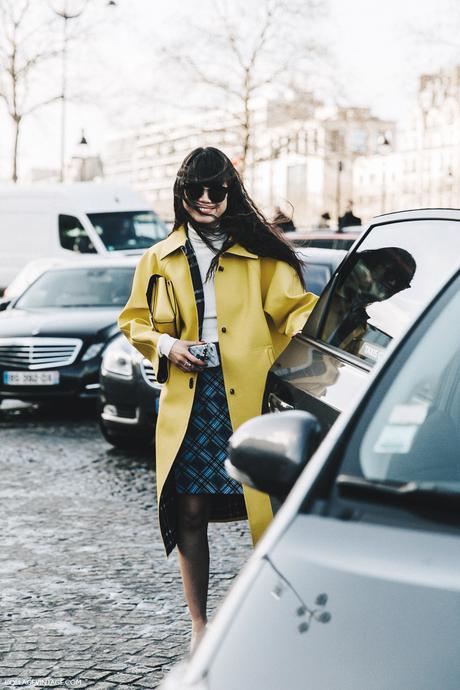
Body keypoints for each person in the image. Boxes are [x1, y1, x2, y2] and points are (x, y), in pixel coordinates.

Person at [118, 147, 318, 651]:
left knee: (263, 510)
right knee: (187, 509)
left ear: (231, 192)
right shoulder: (157, 258)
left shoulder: (262, 257)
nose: (206, 200)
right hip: (189, 400)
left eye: (217, 190)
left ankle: (266, 618)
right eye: (195, 191)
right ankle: (200, 624)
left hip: (250, 396)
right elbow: (134, 321)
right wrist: (168, 346)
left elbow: (297, 313)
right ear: (181, 194)